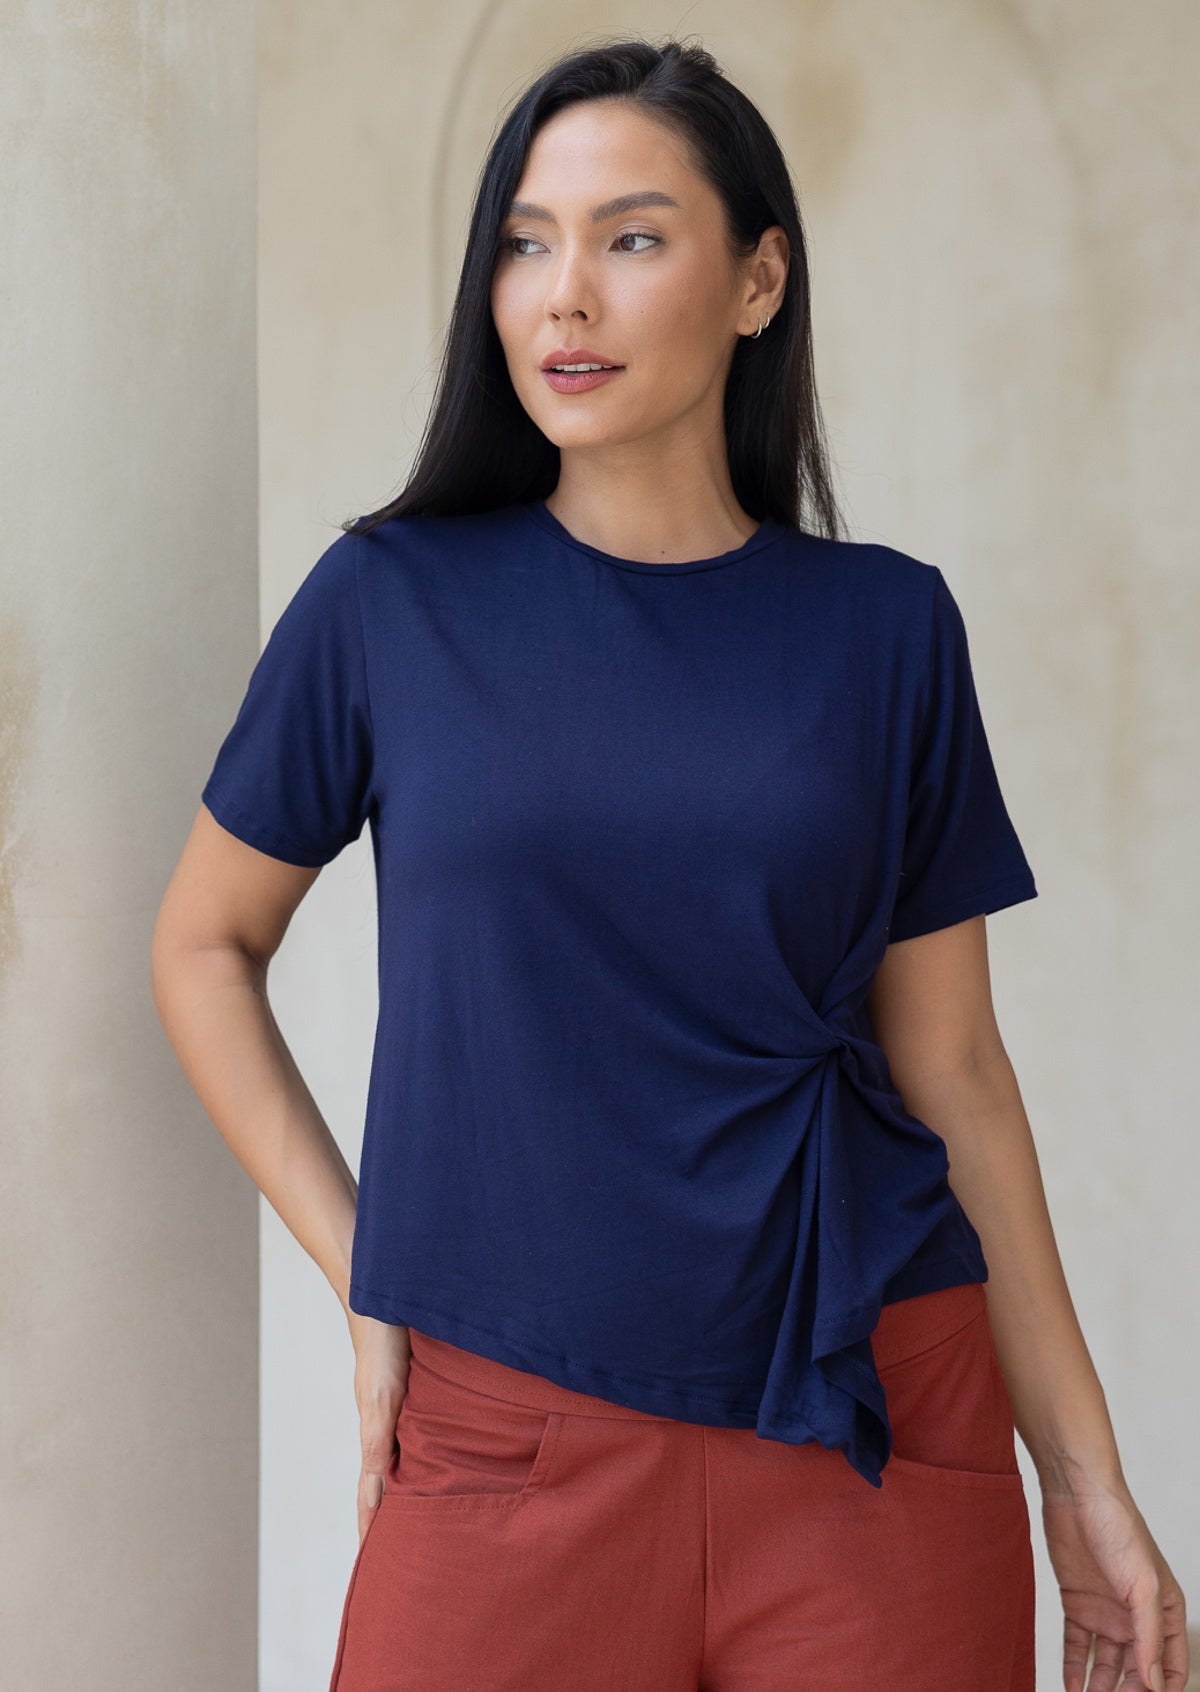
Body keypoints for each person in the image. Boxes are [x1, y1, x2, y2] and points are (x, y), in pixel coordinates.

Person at [150, 34, 1188, 1692]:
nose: (565, 294)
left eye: (631, 237)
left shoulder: (887, 630)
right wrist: (371, 1270)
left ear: (758, 278)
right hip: (506, 1431)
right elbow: (203, 946)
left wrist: (1089, 1486)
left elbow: (958, 1068)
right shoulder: (387, 603)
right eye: (524, 239)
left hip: (871, 1418)